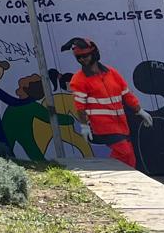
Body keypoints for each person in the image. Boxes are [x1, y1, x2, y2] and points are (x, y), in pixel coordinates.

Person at [63, 36, 152, 170]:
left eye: (85, 55)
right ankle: (116, 175)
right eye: (79, 57)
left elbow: (126, 94)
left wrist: (139, 110)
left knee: (128, 156)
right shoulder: (79, 79)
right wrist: (84, 126)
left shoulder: (111, 73)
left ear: (94, 53)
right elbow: (80, 107)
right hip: (101, 126)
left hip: (120, 123)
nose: (82, 59)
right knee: (125, 152)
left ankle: (117, 175)